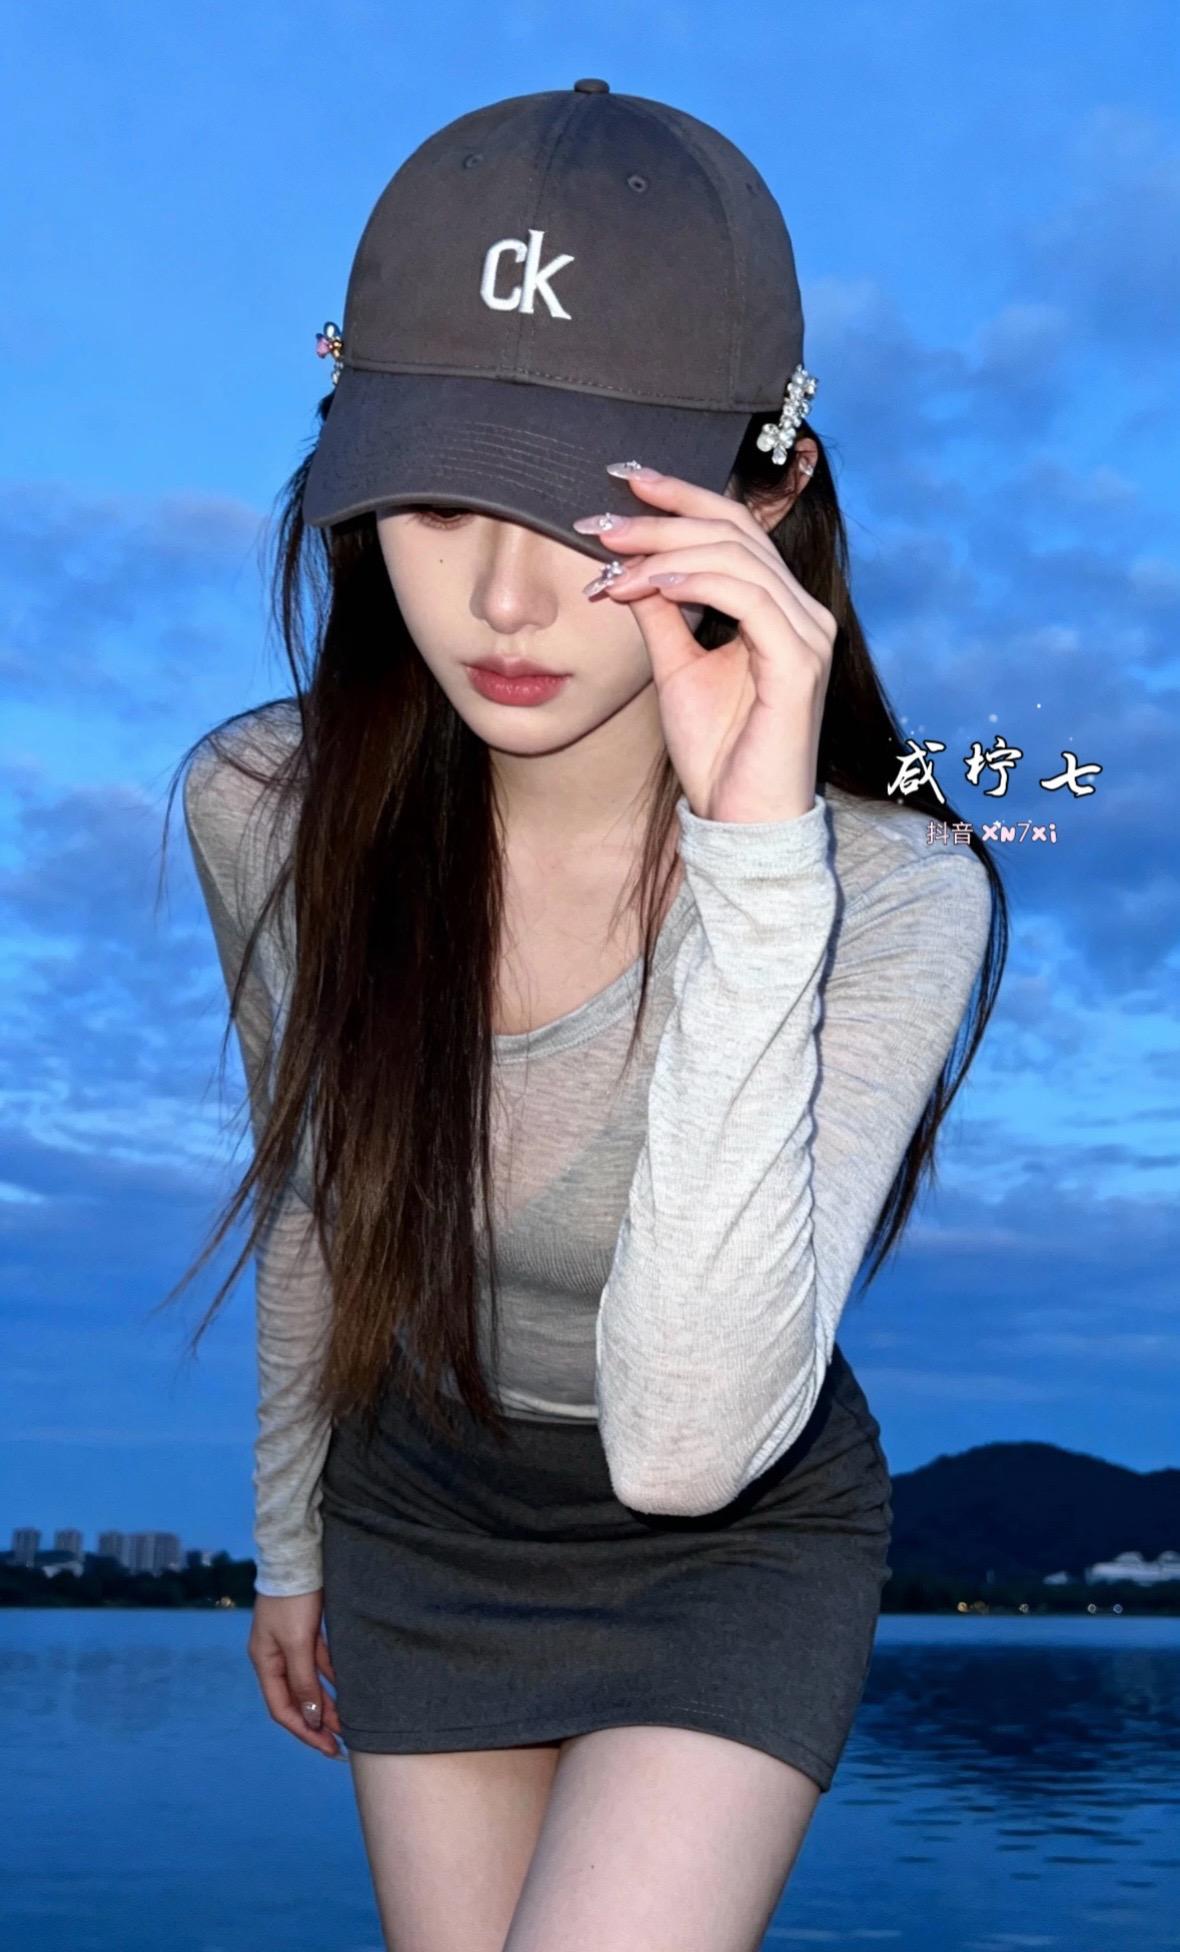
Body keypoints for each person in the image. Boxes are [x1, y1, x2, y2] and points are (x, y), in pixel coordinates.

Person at [168, 80, 1007, 1952]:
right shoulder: (269, 809)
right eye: (437, 491)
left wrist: (758, 863)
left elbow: (689, 1440)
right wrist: (291, 1537)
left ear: (767, 497)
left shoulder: (896, 896)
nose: (503, 595)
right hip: (423, 1501)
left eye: (593, 510)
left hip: (732, 1525)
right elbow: (320, 1194)